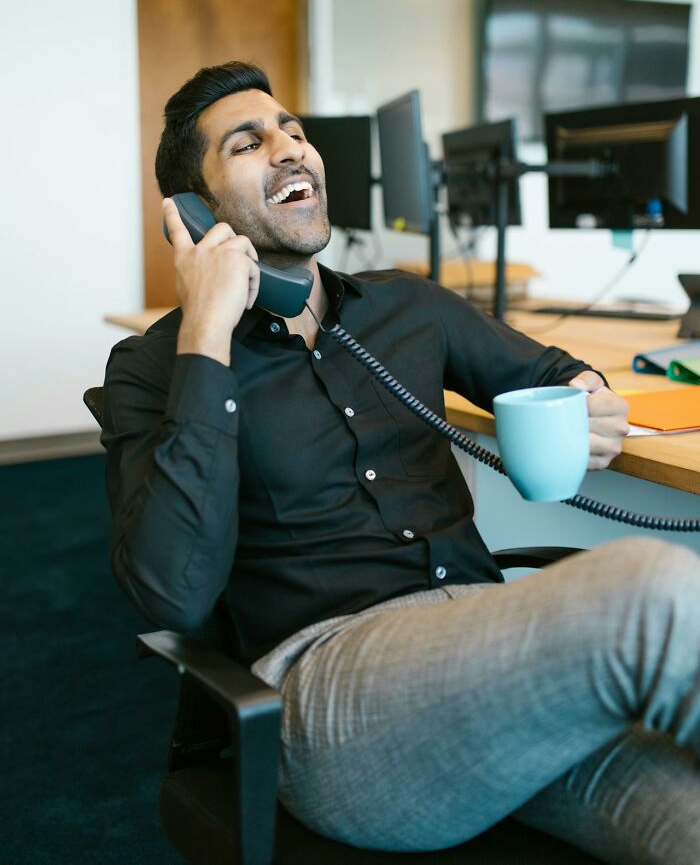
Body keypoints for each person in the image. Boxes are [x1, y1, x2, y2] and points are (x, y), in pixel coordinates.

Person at [103, 61, 700, 864]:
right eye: (248, 143)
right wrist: (206, 331)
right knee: (654, 593)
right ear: (195, 212)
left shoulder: (406, 305)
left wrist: (587, 395)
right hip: (333, 694)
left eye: (294, 132)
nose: (290, 148)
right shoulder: (156, 366)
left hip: (489, 658)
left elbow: (548, 370)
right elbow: (170, 591)